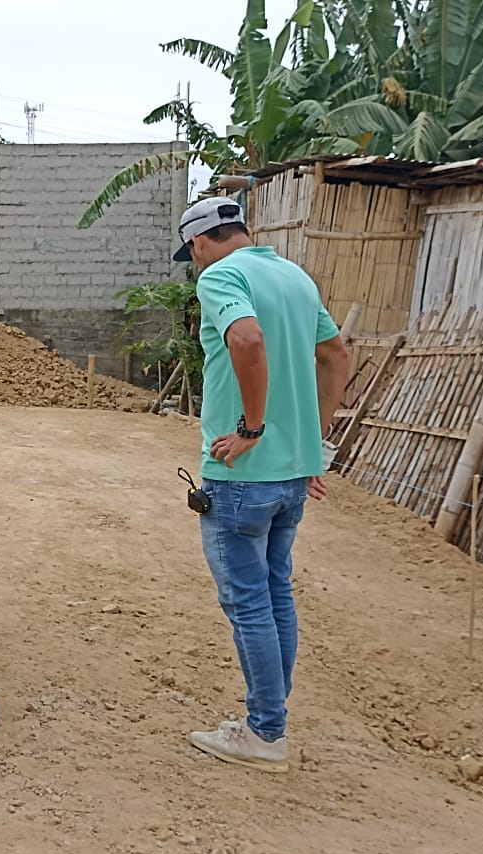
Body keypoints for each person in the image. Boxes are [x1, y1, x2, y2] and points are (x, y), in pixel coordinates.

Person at [173, 196, 349, 772]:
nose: (197, 263)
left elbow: (245, 340)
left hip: (242, 477)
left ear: (199, 243)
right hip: (291, 474)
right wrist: (310, 442)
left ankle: (265, 732)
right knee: (275, 594)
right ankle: (270, 718)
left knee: (249, 602)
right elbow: (335, 356)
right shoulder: (295, 277)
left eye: (193, 254)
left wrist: (250, 428)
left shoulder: (221, 276)